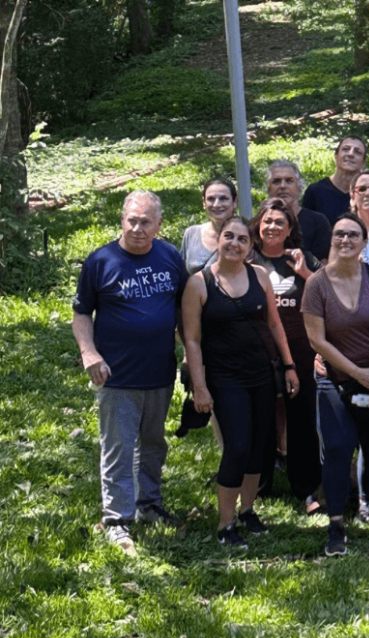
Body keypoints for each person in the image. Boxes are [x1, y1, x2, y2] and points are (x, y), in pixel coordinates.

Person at [73, 191, 188, 555]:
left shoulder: (170, 256)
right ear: (122, 220)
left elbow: (185, 311)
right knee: (119, 447)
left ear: (159, 225)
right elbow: (81, 314)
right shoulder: (101, 261)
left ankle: (149, 505)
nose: (138, 228)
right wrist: (89, 353)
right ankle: (117, 520)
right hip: (116, 374)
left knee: (153, 443)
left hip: (159, 371)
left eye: (146, 222)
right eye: (132, 220)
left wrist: (189, 355)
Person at [183, 216, 299, 549]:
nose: (235, 243)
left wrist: (288, 366)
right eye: (229, 237)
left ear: (251, 247)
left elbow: (275, 325)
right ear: (218, 239)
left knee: (258, 448)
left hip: (261, 373)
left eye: (242, 240)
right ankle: (225, 524)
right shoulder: (199, 283)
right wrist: (200, 386)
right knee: (235, 447)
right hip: (223, 376)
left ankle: (247, 510)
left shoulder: (259, 275)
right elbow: (191, 340)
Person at [303, 214, 369, 556]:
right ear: (332, 240)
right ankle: (336, 524)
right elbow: (318, 341)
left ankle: (368, 506)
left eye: (353, 235)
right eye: (339, 234)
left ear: (363, 242)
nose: (346, 240)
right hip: (335, 379)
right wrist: (360, 375)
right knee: (338, 449)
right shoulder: (316, 284)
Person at [249, 198, 323, 514]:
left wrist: (306, 272)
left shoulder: (302, 258)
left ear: (290, 228)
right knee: (260, 419)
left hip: (301, 351)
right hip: (258, 352)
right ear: (257, 226)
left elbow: (328, 290)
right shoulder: (247, 260)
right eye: (267, 221)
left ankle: (306, 486)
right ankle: (260, 485)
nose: (273, 227)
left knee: (302, 420)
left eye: (280, 222)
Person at [265, 160, 331, 260]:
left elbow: (324, 268)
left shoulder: (318, 222)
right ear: (268, 188)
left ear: (299, 186)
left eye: (289, 181)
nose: (283, 186)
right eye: (276, 181)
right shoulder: (260, 224)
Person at [303, 136, 367, 225]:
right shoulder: (315, 191)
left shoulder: (366, 195)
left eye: (357, 152)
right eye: (345, 149)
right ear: (336, 156)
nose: (351, 154)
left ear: (363, 163)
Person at [181, 178, 237, 276]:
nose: (217, 204)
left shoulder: (245, 236)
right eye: (211, 199)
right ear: (204, 202)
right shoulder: (191, 234)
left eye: (223, 199)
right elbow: (181, 275)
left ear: (234, 202)